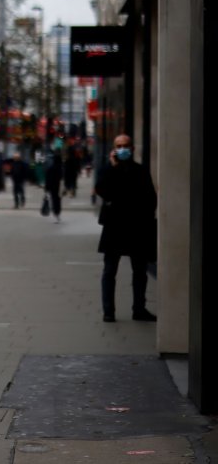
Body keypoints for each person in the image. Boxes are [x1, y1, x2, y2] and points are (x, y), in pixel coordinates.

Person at [94, 133, 158, 323]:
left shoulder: (140, 170)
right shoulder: (108, 170)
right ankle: (108, 311)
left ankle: (139, 309)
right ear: (114, 149)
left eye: (126, 145)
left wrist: (146, 219)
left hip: (136, 228)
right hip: (114, 227)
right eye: (119, 146)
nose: (122, 149)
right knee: (109, 270)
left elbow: (150, 198)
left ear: (132, 149)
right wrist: (113, 168)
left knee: (140, 270)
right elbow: (103, 190)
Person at [43, 152, 64, 222]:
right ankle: (58, 212)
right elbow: (63, 178)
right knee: (58, 200)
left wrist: (46, 188)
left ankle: (55, 213)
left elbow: (47, 178)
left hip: (52, 187)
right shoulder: (61, 168)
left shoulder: (51, 168)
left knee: (54, 200)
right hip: (59, 187)